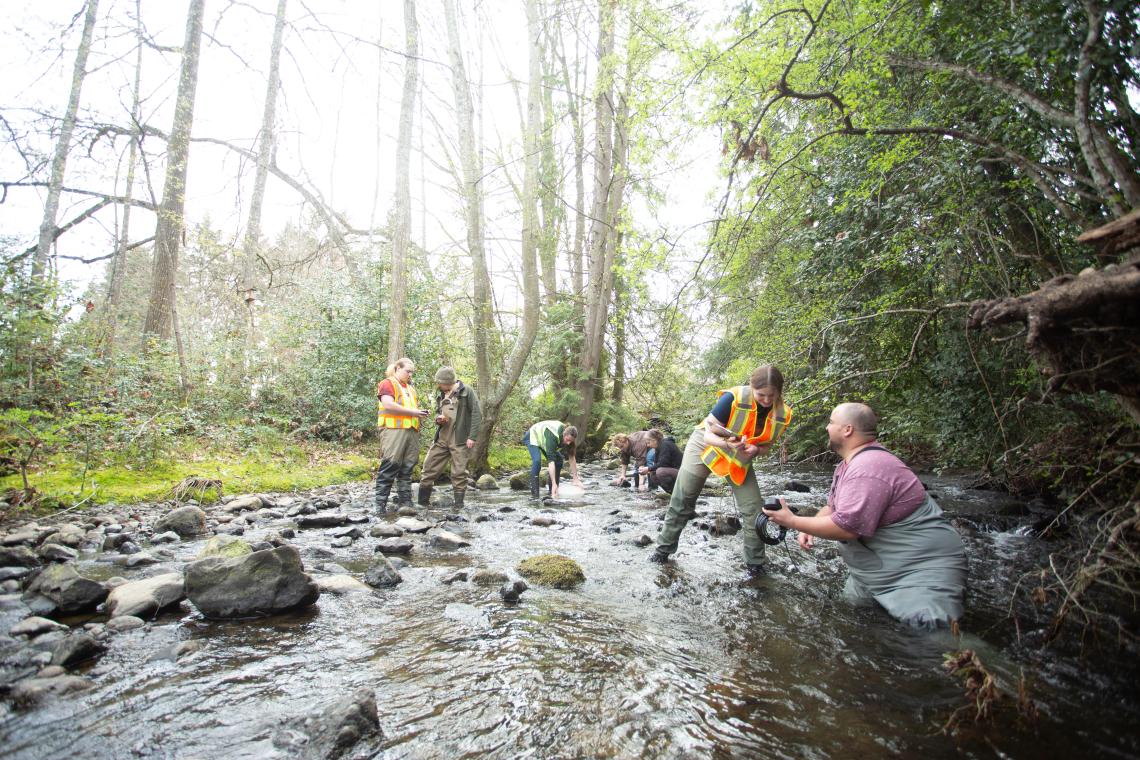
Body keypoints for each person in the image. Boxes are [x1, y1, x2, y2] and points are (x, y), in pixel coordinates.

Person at [762, 402, 967, 628]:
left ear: (847, 429)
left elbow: (847, 529)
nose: (826, 428)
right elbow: (833, 507)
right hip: (875, 575)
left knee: (938, 640)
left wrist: (791, 520)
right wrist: (806, 527)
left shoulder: (868, 468)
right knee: (854, 621)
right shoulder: (849, 465)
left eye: (831, 422)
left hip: (921, 575)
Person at [652, 365, 792, 576]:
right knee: (683, 500)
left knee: (754, 509)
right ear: (751, 387)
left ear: (779, 392)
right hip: (705, 445)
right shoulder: (732, 398)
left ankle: (755, 565)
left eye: (771, 396)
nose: (766, 400)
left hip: (740, 453)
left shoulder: (782, 414)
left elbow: (766, 447)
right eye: (760, 395)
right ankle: (662, 552)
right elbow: (708, 435)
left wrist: (758, 449)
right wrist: (727, 445)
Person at [418, 366, 482, 509]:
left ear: (448, 382)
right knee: (429, 467)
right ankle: (422, 504)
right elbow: (438, 412)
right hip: (442, 437)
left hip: (460, 438)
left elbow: (477, 414)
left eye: (440, 382)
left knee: (459, 472)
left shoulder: (467, 391)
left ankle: (458, 505)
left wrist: (472, 436)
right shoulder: (440, 393)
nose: (438, 385)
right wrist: (438, 419)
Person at [374, 357, 428, 513]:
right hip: (393, 430)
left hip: (411, 431)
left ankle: (406, 503)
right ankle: (380, 505)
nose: (410, 374)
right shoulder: (387, 383)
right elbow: (388, 404)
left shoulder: (410, 389)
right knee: (390, 464)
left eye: (412, 372)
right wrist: (414, 412)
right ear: (397, 368)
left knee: (408, 467)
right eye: (407, 371)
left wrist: (420, 414)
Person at [522, 420, 583, 499]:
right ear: (564, 434)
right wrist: (554, 483)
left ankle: (552, 491)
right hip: (532, 436)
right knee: (537, 461)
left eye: (571, 441)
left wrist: (575, 479)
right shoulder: (552, 437)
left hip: (543, 439)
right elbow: (551, 462)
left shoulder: (569, 438)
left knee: (559, 460)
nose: (568, 443)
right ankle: (535, 495)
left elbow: (572, 457)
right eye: (567, 440)